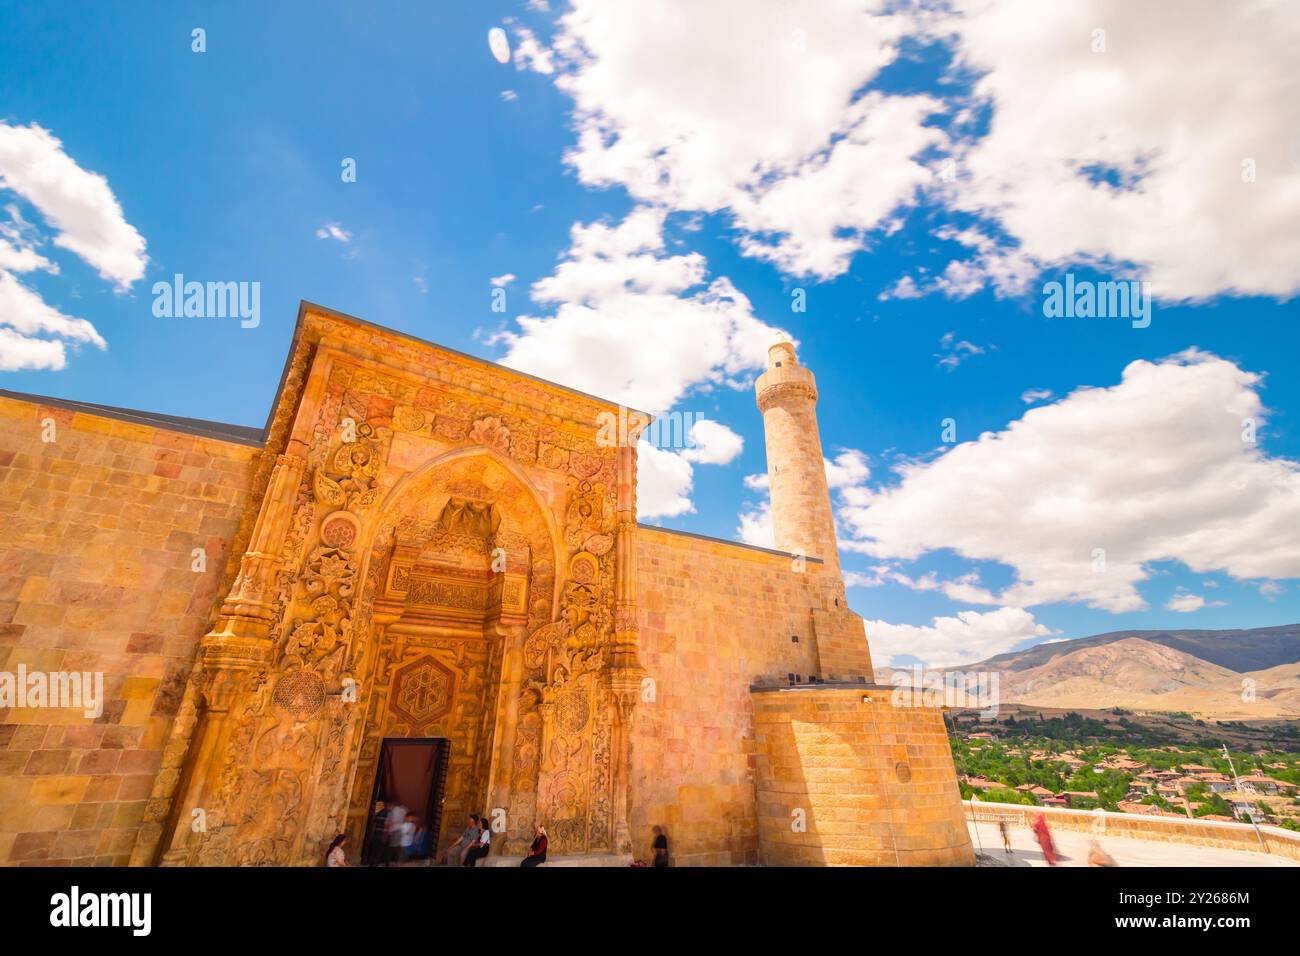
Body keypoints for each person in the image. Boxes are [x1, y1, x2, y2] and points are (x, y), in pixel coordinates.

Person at [364, 801, 388, 866]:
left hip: (376, 834)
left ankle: (371, 863)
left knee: (374, 849)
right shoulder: (387, 814)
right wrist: (385, 837)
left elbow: (374, 825)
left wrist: (372, 834)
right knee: (379, 850)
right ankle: (375, 863)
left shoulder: (378, 814)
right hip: (381, 835)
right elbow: (386, 826)